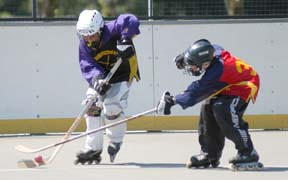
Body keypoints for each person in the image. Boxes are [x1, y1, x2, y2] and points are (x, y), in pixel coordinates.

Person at [157, 39, 261, 169]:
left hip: (244, 85)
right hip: (229, 82)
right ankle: (209, 155)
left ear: (206, 63)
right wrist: (185, 56)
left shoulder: (217, 71)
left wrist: (173, 100)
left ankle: (248, 152)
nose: (191, 67)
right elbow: (203, 43)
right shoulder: (213, 51)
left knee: (223, 109)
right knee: (207, 106)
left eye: (193, 65)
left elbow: (197, 90)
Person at [74, 9, 141, 165]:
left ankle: (116, 141)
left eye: (92, 34)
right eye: (85, 35)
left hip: (123, 73)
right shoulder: (84, 44)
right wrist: (97, 79)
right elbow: (87, 65)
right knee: (91, 104)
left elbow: (130, 19)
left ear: (100, 29)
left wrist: (125, 39)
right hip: (102, 76)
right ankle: (93, 149)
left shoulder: (112, 30)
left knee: (111, 107)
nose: (89, 39)